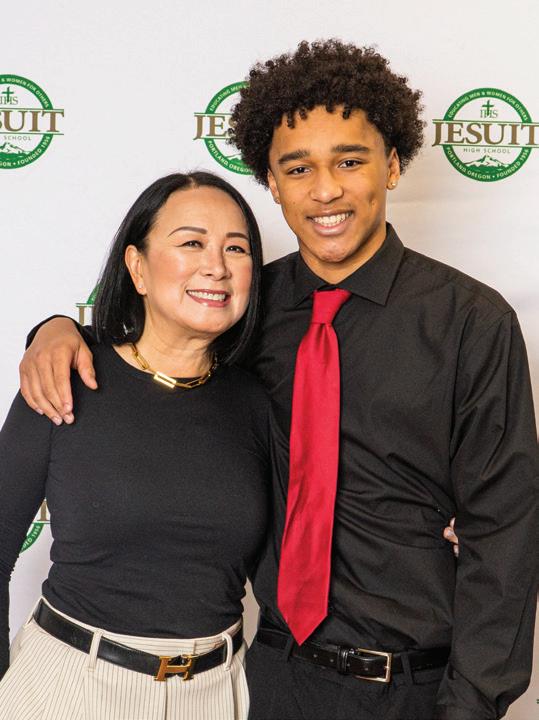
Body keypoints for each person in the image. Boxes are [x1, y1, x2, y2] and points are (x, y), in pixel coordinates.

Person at [18, 40, 537, 720]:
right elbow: (148, 359)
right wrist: (55, 328)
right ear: (271, 181)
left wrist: (469, 706)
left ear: (392, 164)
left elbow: (504, 532)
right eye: (298, 168)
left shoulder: (470, 322)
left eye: (349, 161)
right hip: (265, 679)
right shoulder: (242, 310)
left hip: (415, 689)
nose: (324, 190)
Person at [0, 170, 271, 720]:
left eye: (236, 248)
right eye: (191, 243)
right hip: (71, 688)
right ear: (138, 267)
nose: (216, 266)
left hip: (218, 693)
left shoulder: (257, 402)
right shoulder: (65, 378)